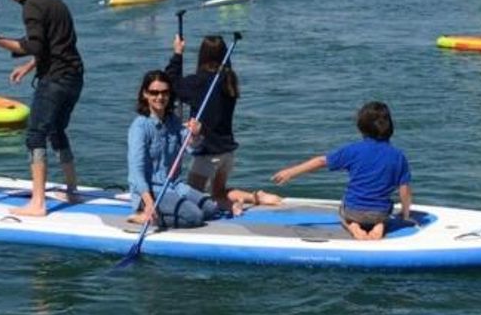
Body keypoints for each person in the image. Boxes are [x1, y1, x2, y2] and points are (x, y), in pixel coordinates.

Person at [0, 0, 85, 216]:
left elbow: (34, 45)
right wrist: (28, 68)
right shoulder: (54, 2)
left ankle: (38, 203)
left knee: (36, 135)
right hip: (74, 75)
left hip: (56, 79)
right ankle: (72, 190)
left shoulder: (32, 6)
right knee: (57, 130)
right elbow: (55, 46)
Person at [127, 70, 279, 228]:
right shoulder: (139, 127)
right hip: (152, 189)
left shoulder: (173, 121)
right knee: (194, 217)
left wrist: (197, 134)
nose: (160, 97)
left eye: (165, 92)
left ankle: (165, 212)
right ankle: (145, 215)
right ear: (145, 94)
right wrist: (149, 203)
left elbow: (192, 149)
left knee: (211, 209)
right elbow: (136, 172)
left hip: (175, 185)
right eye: (154, 92)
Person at [271, 101, 412, 241]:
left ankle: (354, 226)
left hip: (353, 211)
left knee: (343, 214)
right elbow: (404, 190)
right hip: (380, 213)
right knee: (384, 212)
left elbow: (321, 161)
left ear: (361, 127)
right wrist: (405, 215)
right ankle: (379, 226)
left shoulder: (353, 150)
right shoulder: (398, 156)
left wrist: (290, 172)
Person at [165, 34, 243, 206]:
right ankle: (256, 197)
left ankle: (230, 206)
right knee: (219, 192)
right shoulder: (229, 80)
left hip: (208, 155)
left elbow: (170, 85)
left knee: (190, 201)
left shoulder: (198, 82)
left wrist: (177, 54)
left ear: (202, 55)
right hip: (227, 153)